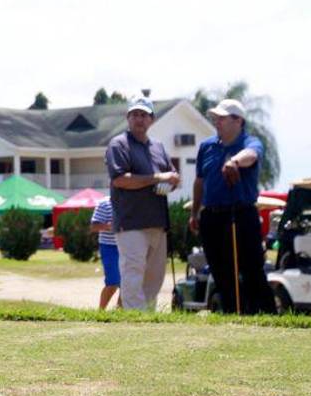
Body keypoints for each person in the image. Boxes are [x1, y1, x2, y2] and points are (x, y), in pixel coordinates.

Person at [188, 99, 274, 315]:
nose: (217, 122)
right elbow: (199, 181)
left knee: (252, 270)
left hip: (240, 215)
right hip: (211, 216)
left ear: (238, 121)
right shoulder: (207, 146)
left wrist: (234, 161)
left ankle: (264, 314)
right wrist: (194, 212)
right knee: (221, 272)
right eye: (216, 118)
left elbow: (251, 155)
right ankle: (232, 314)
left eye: (222, 118)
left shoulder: (249, 142)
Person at [104, 97, 180, 311]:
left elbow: (171, 174)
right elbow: (120, 179)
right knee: (133, 272)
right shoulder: (119, 144)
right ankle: (134, 321)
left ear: (152, 119)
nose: (139, 119)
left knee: (154, 277)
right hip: (130, 223)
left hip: (157, 222)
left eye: (144, 115)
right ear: (128, 118)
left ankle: (146, 319)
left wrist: (172, 180)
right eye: (135, 114)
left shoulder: (158, 147)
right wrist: (158, 177)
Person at [89, 197, 120, 309]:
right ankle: (101, 311)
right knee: (113, 282)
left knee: (127, 283)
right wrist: (109, 226)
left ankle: (120, 312)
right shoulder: (104, 203)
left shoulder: (131, 201)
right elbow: (93, 227)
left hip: (128, 246)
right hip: (109, 246)